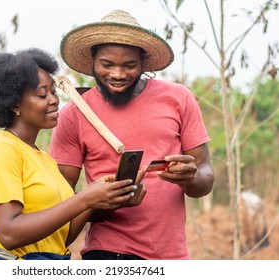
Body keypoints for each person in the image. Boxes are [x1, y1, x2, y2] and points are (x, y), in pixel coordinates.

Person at [49, 10, 214, 260]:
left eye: (129, 65)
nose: (117, 75)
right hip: (107, 254)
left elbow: (205, 177)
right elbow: (60, 205)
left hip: (172, 255)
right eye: (106, 65)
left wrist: (190, 177)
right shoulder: (74, 114)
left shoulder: (178, 98)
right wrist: (105, 201)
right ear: (92, 59)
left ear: (144, 62)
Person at [0, 48, 138, 260]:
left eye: (53, 91)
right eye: (42, 94)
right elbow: (9, 233)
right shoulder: (1, 150)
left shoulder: (43, 158)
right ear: (14, 104)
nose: (54, 100)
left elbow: (60, 237)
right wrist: (83, 200)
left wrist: (97, 197)